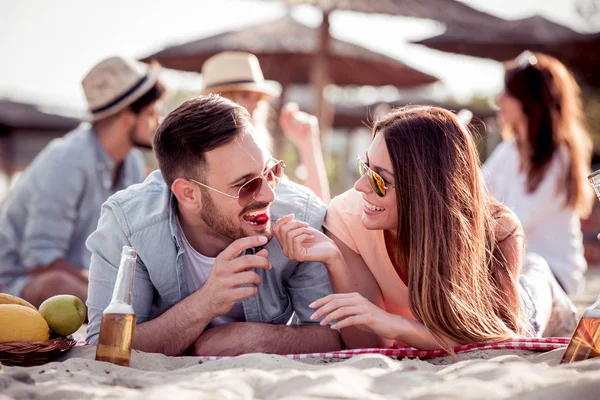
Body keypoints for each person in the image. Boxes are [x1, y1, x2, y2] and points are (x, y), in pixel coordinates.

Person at [274, 106, 576, 352]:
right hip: (448, 327)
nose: (360, 185)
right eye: (365, 168)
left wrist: (397, 325)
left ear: (424, 192)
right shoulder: (346, 217)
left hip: (529, 304)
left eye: (380, 180)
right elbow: (371, 345)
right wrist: (335, 262)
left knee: (539, 284)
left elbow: (503, 337)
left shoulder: (498, 230)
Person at [85, 94, 342, 357]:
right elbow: (104, 343)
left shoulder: (300, 214)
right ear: (188, 194)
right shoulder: (128, 225)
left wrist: (257, 339)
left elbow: (335, 335)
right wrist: (204, 304)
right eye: (246, 185)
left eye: (270, 172)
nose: (268, 195)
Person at [0, 56, 165, 307]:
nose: (159, 121)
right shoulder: (66, 160)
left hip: (82, 282)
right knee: (58, 287)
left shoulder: (131, 163)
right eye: (152, 112)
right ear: (125, 117)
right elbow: (41, 262)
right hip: (18, 285)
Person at [484, 51, 594, 296]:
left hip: (553, 278)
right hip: (514, 274)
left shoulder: (559, 157)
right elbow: (476, 189)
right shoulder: (511, 148)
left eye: (508, 94)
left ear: (528, 101)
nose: (498, 100)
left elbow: (514, 223)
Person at [200, 51, 330, 203]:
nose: (256, 106)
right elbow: (316, 212)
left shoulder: (262, 163)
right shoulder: (208, 163)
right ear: (218, 102)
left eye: (259, 98)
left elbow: (316, 212)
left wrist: (307, 144)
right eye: (245, 95)